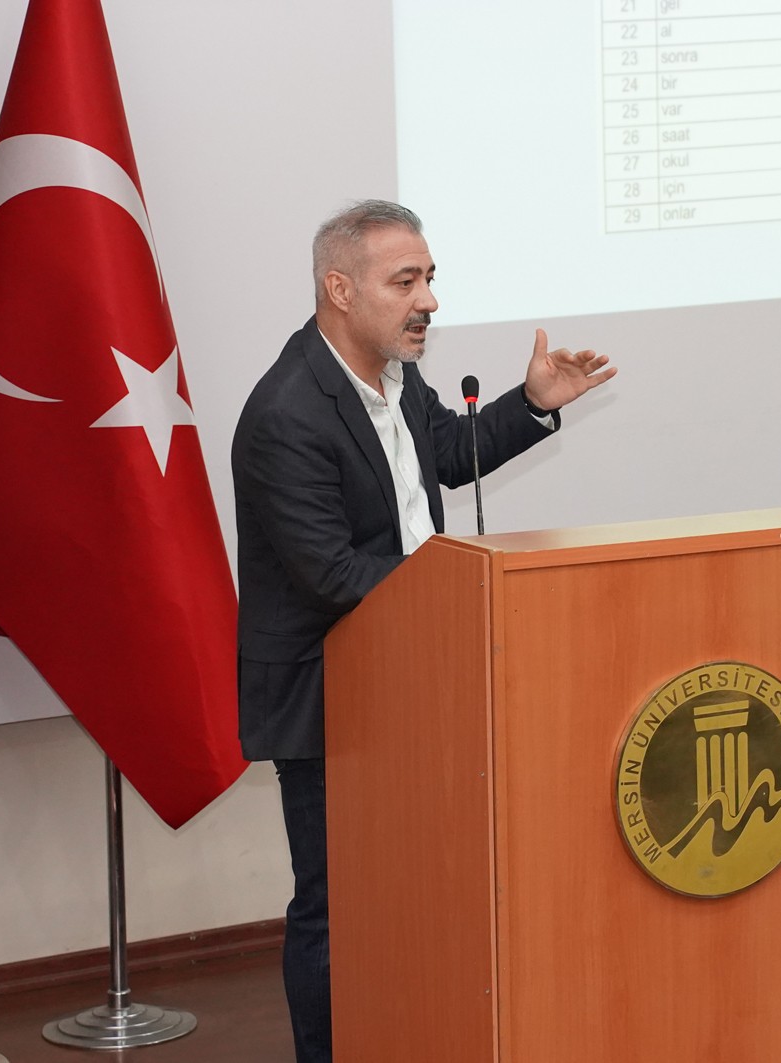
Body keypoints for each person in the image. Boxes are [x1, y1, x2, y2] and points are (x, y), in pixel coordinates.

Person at [230, 200, 614, 1062]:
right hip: (335, 697)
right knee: (336, 906)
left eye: (429, 279)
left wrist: (534, 403)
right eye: (405, 282)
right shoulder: (287, 413)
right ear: (339, 289)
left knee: (418, 891)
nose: (428, 301)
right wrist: (459, 592)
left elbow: (443, 452)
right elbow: (332, 574)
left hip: (413, 668)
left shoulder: (394, 378)